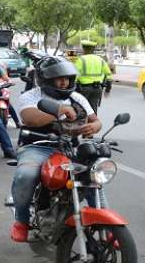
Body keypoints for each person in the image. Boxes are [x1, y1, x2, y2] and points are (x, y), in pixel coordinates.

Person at [9, 55, 101, 242]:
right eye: (58, 78)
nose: (63, 82)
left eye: (67, 78)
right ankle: (21, 221)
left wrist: (94, 127)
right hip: (38, 147)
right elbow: (29, 118)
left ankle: (103, 223)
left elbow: (95, 120)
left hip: (69, 148)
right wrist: (59, 112)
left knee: (93, 176)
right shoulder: (31, 96)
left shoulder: (77, 97)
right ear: (45, 79)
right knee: (25, 175)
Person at [70, 40, 112, 113]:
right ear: (93, 49)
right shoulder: (101, 60)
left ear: (83, 49)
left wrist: (71, 87)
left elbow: (74, 76)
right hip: (97, 89)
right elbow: (109, 75)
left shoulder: (80, 60)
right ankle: (93, 123)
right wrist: (108, 89)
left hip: (83, 89)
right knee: (93, 110)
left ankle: (82, 123)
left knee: (81, 109)